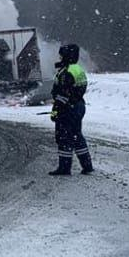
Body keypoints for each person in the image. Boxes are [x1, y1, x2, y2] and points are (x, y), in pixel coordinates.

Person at [49, 43, 92, 176]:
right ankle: (87, 165)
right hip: (78, 106)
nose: (60, 57)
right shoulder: (77, 69)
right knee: (76, 135)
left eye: (61, 55)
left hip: (68, 109)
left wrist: (55, 111)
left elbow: (63, 95)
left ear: (67, 56)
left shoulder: (67, 72)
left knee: (64, 137)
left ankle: (64, 168)